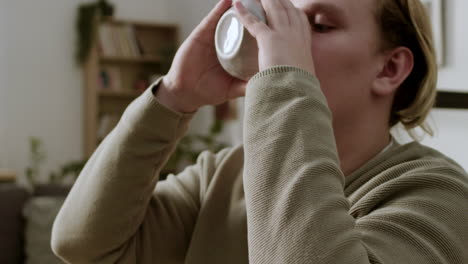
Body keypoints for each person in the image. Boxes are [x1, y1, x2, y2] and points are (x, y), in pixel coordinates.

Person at [52, 0, 468, 263]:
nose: (278, 40)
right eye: (283, 20)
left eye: (318, 26)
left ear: (390, 68)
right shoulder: (224, 175)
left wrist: (284, 77)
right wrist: (174, 98)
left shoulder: (436, 195)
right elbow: (80, 244)